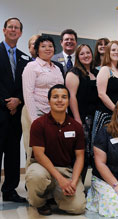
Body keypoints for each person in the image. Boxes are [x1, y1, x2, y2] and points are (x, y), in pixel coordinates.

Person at [25, 84, 86, 215]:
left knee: (78, 208)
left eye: (64, 97)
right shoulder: (38, 124)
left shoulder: (76, 126)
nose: (59, 100)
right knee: (36, 176)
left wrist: (73, 182)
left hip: (66, 170)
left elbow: (80, 157)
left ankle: (54, 196)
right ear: (49, 101)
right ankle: (40, 202)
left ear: (68, 101)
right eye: (55, 97)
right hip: (42, 168)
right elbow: (39, 154)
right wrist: (60, 180)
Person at [22, 35, 64, 168]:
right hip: (36, 111)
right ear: (37, 49)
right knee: (34, 150)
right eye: (43, 46)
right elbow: (28, 93)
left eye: (50, 46)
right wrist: (34, 120)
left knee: (53, 149)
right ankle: (33, 183)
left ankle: (51, 183)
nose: (47, 49)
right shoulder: (32, 66)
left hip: (54, 113)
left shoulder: (57, 68)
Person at [0, 17, 30, 203]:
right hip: (0, 110)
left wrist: (18, 100)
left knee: (12, 153)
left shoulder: (23, 57)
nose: (13, 30)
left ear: (20, 33)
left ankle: (10, 190)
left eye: (16, 28)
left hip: (15, 114)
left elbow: (25, 85)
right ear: (4, 30)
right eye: (10, 27)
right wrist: (5, 103)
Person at [65, 44, 99, 181]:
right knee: (82, 153)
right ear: (78, 57)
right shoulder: (73, 73)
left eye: (88, 53)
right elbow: (71, 97)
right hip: (81, 119)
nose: (86, 56)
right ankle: (77, 184)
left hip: (96, 119)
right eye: (82, 54)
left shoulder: (96, 73)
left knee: (95, 153)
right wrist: (78, 120)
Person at [92, 40, 118, 142]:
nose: (116, 52)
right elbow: (101, 94)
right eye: (113, 50)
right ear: (108, 52)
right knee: (107, 146)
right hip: (107, 115)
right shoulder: (105, 69)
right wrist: (117, 110)